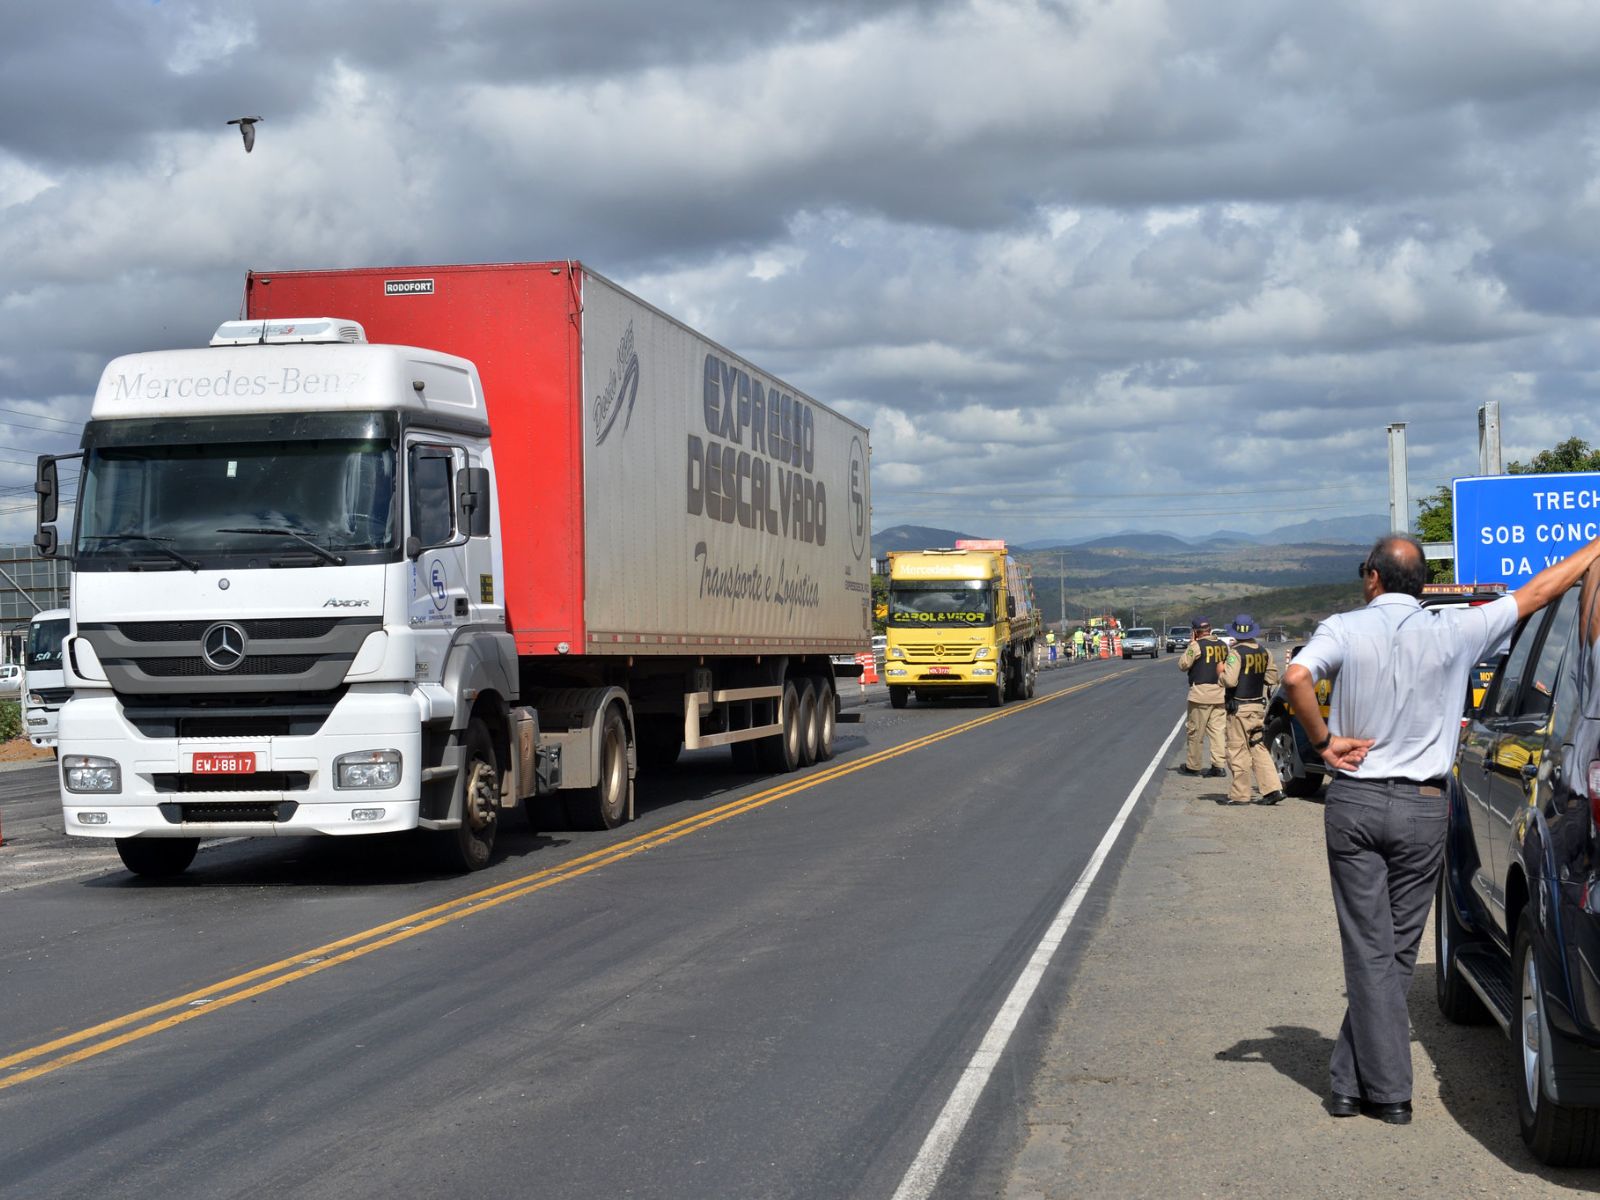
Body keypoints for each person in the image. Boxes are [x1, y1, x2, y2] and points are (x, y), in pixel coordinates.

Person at [1283, 531, 1600, 1126]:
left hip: (1355, 801)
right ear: (1424, 585)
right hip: (1424, 808)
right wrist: (1594, 551)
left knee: (1370, 948)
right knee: (1396, 950)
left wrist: (1324, 744)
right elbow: (1538, 592)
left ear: (1371, 577)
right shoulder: (1457, 631)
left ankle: (1380, 1091)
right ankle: (1358, 1085)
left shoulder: (1343, 628)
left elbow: (1296, 679)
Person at [1218, 613, 1283, 805]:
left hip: (1239, 709)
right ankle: (1273, 789)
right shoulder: (1264, 652)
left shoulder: (1235, 653)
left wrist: (1220, 674)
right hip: (1258, 707)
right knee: (1258, 747)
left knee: (1237, 750)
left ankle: (1240, 795)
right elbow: (1271, 678)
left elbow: (1230, 680)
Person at [1176, 617, 1228, 777]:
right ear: (1210, 630)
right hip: (1220, 693)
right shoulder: (1223, 645)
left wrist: (1191, 644)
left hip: (1201, 694)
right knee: (1218, 732)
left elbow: (1183, 665)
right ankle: (1219, 765)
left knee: (1195, 732)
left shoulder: (1197, 646)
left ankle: (1193, 765)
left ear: (1195, 632)